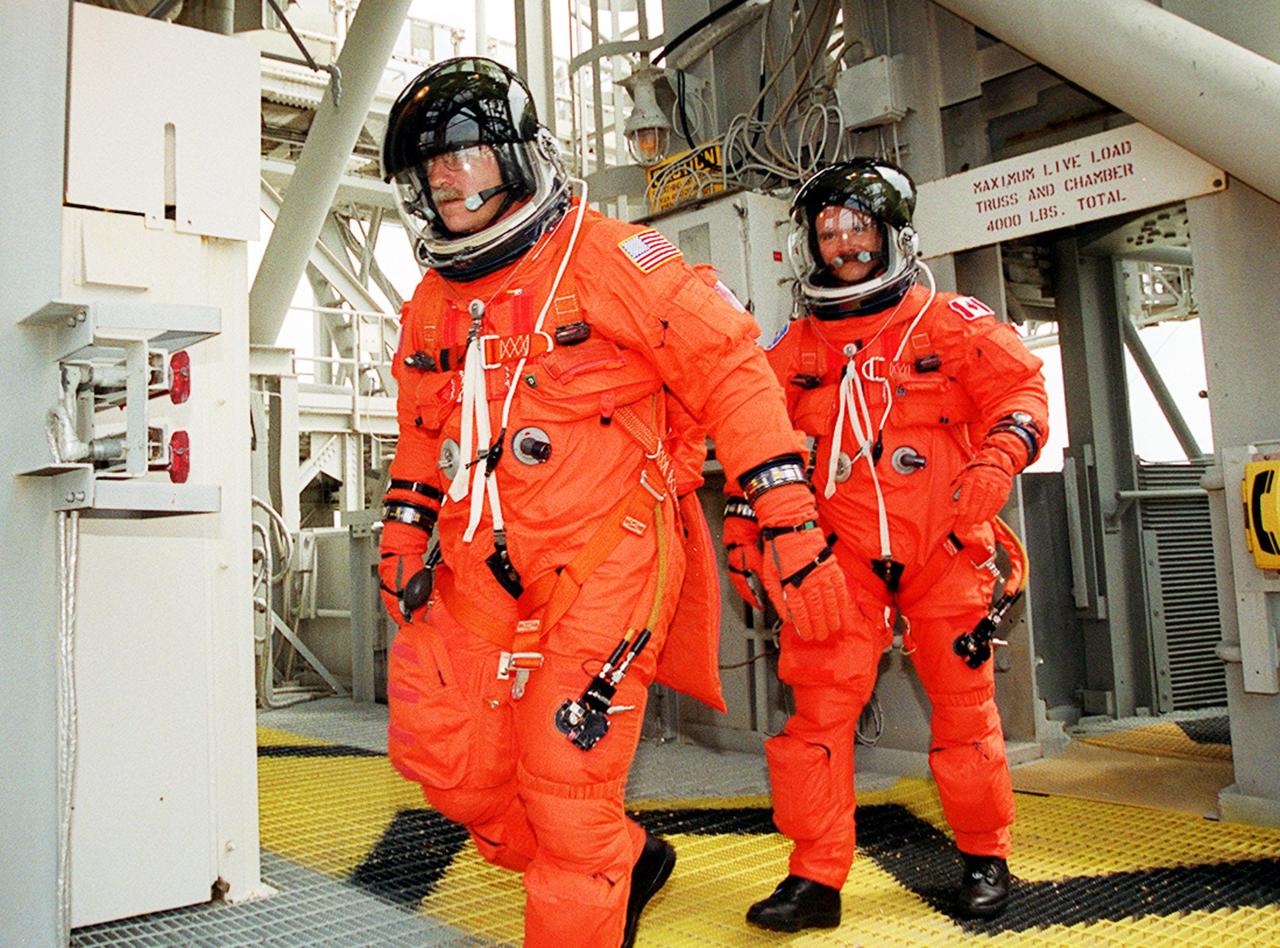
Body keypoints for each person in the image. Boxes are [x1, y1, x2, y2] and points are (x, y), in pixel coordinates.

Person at [377, 57, 854, 948]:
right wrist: (404, 527)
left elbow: (733, 373)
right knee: (451, 764)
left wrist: (787, 513)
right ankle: (624, 859)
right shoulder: (434, 301)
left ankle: (592, 869)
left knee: (565, 790)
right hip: (483, 557)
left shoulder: (610, 257)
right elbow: (421, 425)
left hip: (608, 555)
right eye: (429, 167)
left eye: (465, 155)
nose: (445, 176)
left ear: (518, 156)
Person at [723, 158, 1048, 930]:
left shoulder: (951, 324)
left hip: (944, 551)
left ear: (892, 235)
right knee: (816, 723)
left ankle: (983, 856)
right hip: (839, 564)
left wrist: (999, 456)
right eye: (828, 231)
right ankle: (815, 879)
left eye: (858, 228)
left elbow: (1024, 392)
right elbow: (751, 439)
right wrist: (745, 530)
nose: (843, 245)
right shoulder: (794, 346)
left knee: (966, 715)